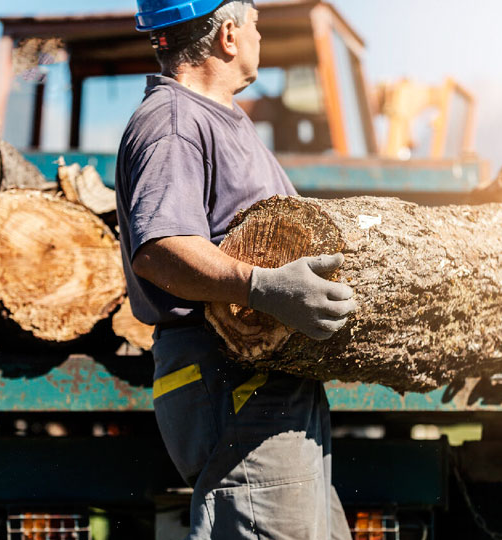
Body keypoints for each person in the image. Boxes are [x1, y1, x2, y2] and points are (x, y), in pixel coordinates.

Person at [115, 1, 358, 537]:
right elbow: (159, 246)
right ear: (228, 35)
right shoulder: (175, 122)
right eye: (256, 27)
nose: (258, 39)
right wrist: (263, 286)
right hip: (228, 381)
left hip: (261, 382)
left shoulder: (219, 118)